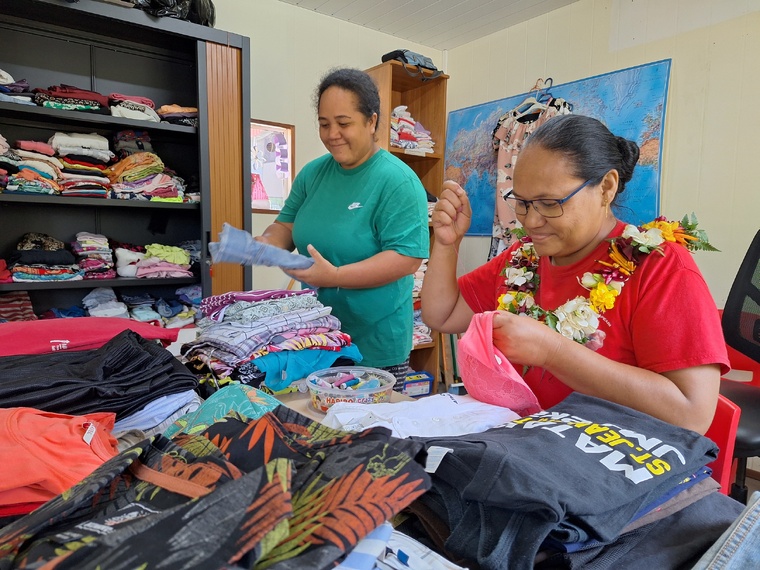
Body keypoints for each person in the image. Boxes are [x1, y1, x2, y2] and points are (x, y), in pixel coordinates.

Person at [421, 114, 728, 434]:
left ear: (606, 188)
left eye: (550, 203)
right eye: (523, 203)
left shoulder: (659, 267)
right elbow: (442, 315)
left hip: (612, 463)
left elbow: (692, 415)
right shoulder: (523, 259)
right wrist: (446, 244)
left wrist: (554, 352)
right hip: (524, 448)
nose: (531, 221)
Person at [256, 67, 430, 388]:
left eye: (343, 123)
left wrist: (335, 277)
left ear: (372, 121)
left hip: (375, 343)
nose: (332, 133)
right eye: (324, 124)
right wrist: (265, 242)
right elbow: (285, 226)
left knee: (371, 433)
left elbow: (406, 258)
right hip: (318, 337)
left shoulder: (398, 181)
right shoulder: (313, 174)